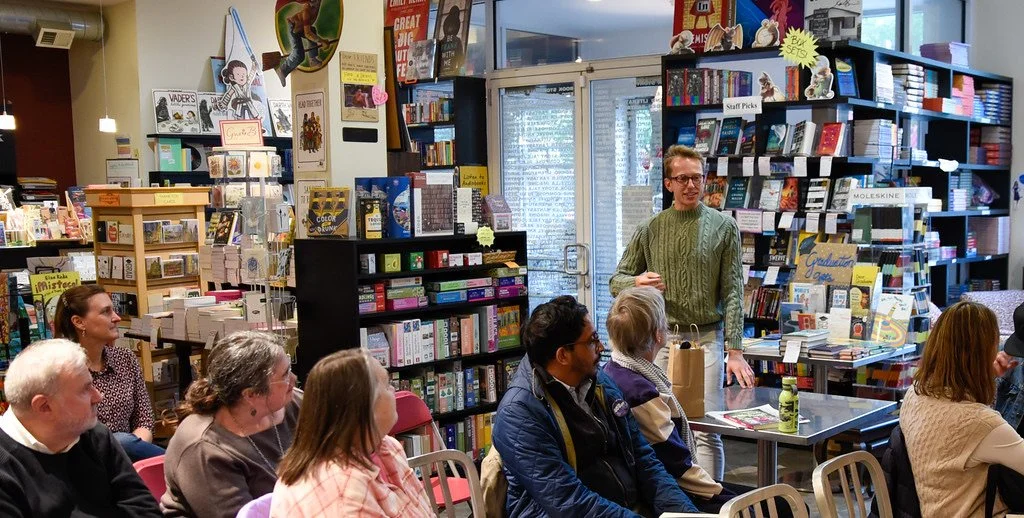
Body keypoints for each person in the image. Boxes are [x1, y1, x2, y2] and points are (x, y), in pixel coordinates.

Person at [610, 144, 754, 480]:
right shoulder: (651, 228)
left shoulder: (723, 227)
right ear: (669, 183)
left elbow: (733, 290)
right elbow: (616, 280)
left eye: (697, 178)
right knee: (657, 422)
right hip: (659, 340)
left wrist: (735, 350)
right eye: (683, 178)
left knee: (706, 426)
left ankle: (709, 504)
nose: (691, 185)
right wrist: (637, 281)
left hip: (707, 337)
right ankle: (671, 499)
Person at [492, 295, 697, 517]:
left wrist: (686, 513)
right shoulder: (520, 414)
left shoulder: (600, 382)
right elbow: (568, 502)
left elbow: (643, 459)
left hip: (622, 507)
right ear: (563, 355)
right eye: (592, 340)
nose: (601, 346)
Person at [603, 287, 795, 515]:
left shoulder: (613, 370)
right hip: (671, 491)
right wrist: (723, 495)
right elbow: (677, 465)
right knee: (782, 505)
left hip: (658, 484)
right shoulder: (640, 393)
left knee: (776, 499)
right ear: (658, 334)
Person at [0, 339, 160, 517]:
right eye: (85, 389)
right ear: (44, 406)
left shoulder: (93, 434)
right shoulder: (6, 469)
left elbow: (145, 509)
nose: (98, 396)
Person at [271, 349, 433, 517]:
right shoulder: (344, 494)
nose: (393, 390)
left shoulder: (387, 446)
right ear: (365, 408)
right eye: (386, 384)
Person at [900, 301, 1024, 517]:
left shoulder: (915, 394)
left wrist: (984, 377)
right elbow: (972, 426)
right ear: (980, 356)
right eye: (993, 347)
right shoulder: (981, 424)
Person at [161, 331, 301, 518]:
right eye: (284, 375)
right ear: (250, 395)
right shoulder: (205, 448)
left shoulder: (294, 402)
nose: (293, 379)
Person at [53, 284, 162, 462]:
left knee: (124, 441)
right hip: (84, 462)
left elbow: (145, 420)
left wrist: (125, 454)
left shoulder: (125, 359)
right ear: (79, 322)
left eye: (114, 310)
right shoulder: (63, 370)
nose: (117, 318)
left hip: (129, 459)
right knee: (120, 440)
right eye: (106, 312)